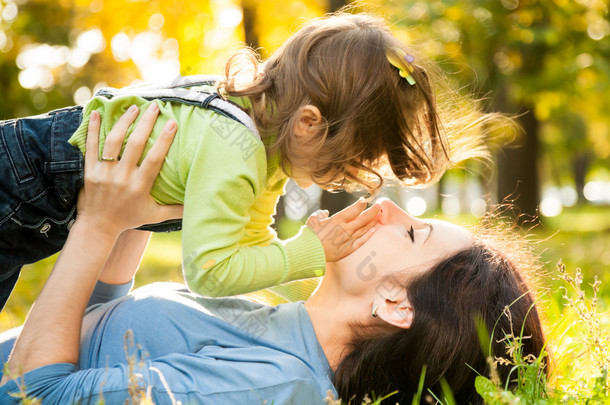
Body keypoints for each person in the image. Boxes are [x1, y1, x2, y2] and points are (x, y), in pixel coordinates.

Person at [0, 107, 545, 404]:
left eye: (411, 235)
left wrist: (96, 224)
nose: (384, 209)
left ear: (396, 303)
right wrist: (142, 209)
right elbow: (99, 338)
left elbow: (33, 392)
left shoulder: (270, 386)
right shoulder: (266, 322)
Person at [0, 12, 506, 310]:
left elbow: (251, 239)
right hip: (16, 184)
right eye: (349, 161)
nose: (348, 179)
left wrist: (299, 288)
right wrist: (307, 253)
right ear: (309, 123)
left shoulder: (265, 145)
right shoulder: (236, 149)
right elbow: (209, 271)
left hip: (34, 203)